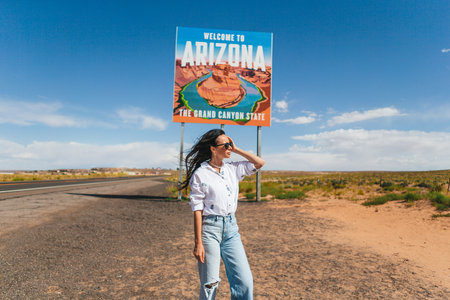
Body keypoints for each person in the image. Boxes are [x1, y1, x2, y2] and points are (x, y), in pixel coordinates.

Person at [179, 129, 265, 300]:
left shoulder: (233, 169)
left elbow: (260, 162)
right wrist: (198, 243)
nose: (229, 148)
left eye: (230, 144)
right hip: (210, 230)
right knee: (210, 284)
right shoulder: (200, 174)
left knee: (245, 282)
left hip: (232, 230)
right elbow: (197, 209)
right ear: (213, 148)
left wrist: (237, 148)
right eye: (226, 145)